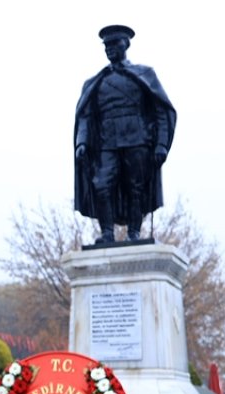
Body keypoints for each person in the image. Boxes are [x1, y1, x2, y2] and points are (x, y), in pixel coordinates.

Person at [74, 24, 177, 244]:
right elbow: (86, 115)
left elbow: (161, 111)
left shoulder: (144, 74)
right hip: (106, 142)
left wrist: (161, 145)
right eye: (106, 46)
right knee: (102, 185)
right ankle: (108, 233)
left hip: (137, 139)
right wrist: (81, 141)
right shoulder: (96, 81)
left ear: (125, 45)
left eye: (114, 44)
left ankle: (133, 233)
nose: (109, 49)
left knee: (135, 187)